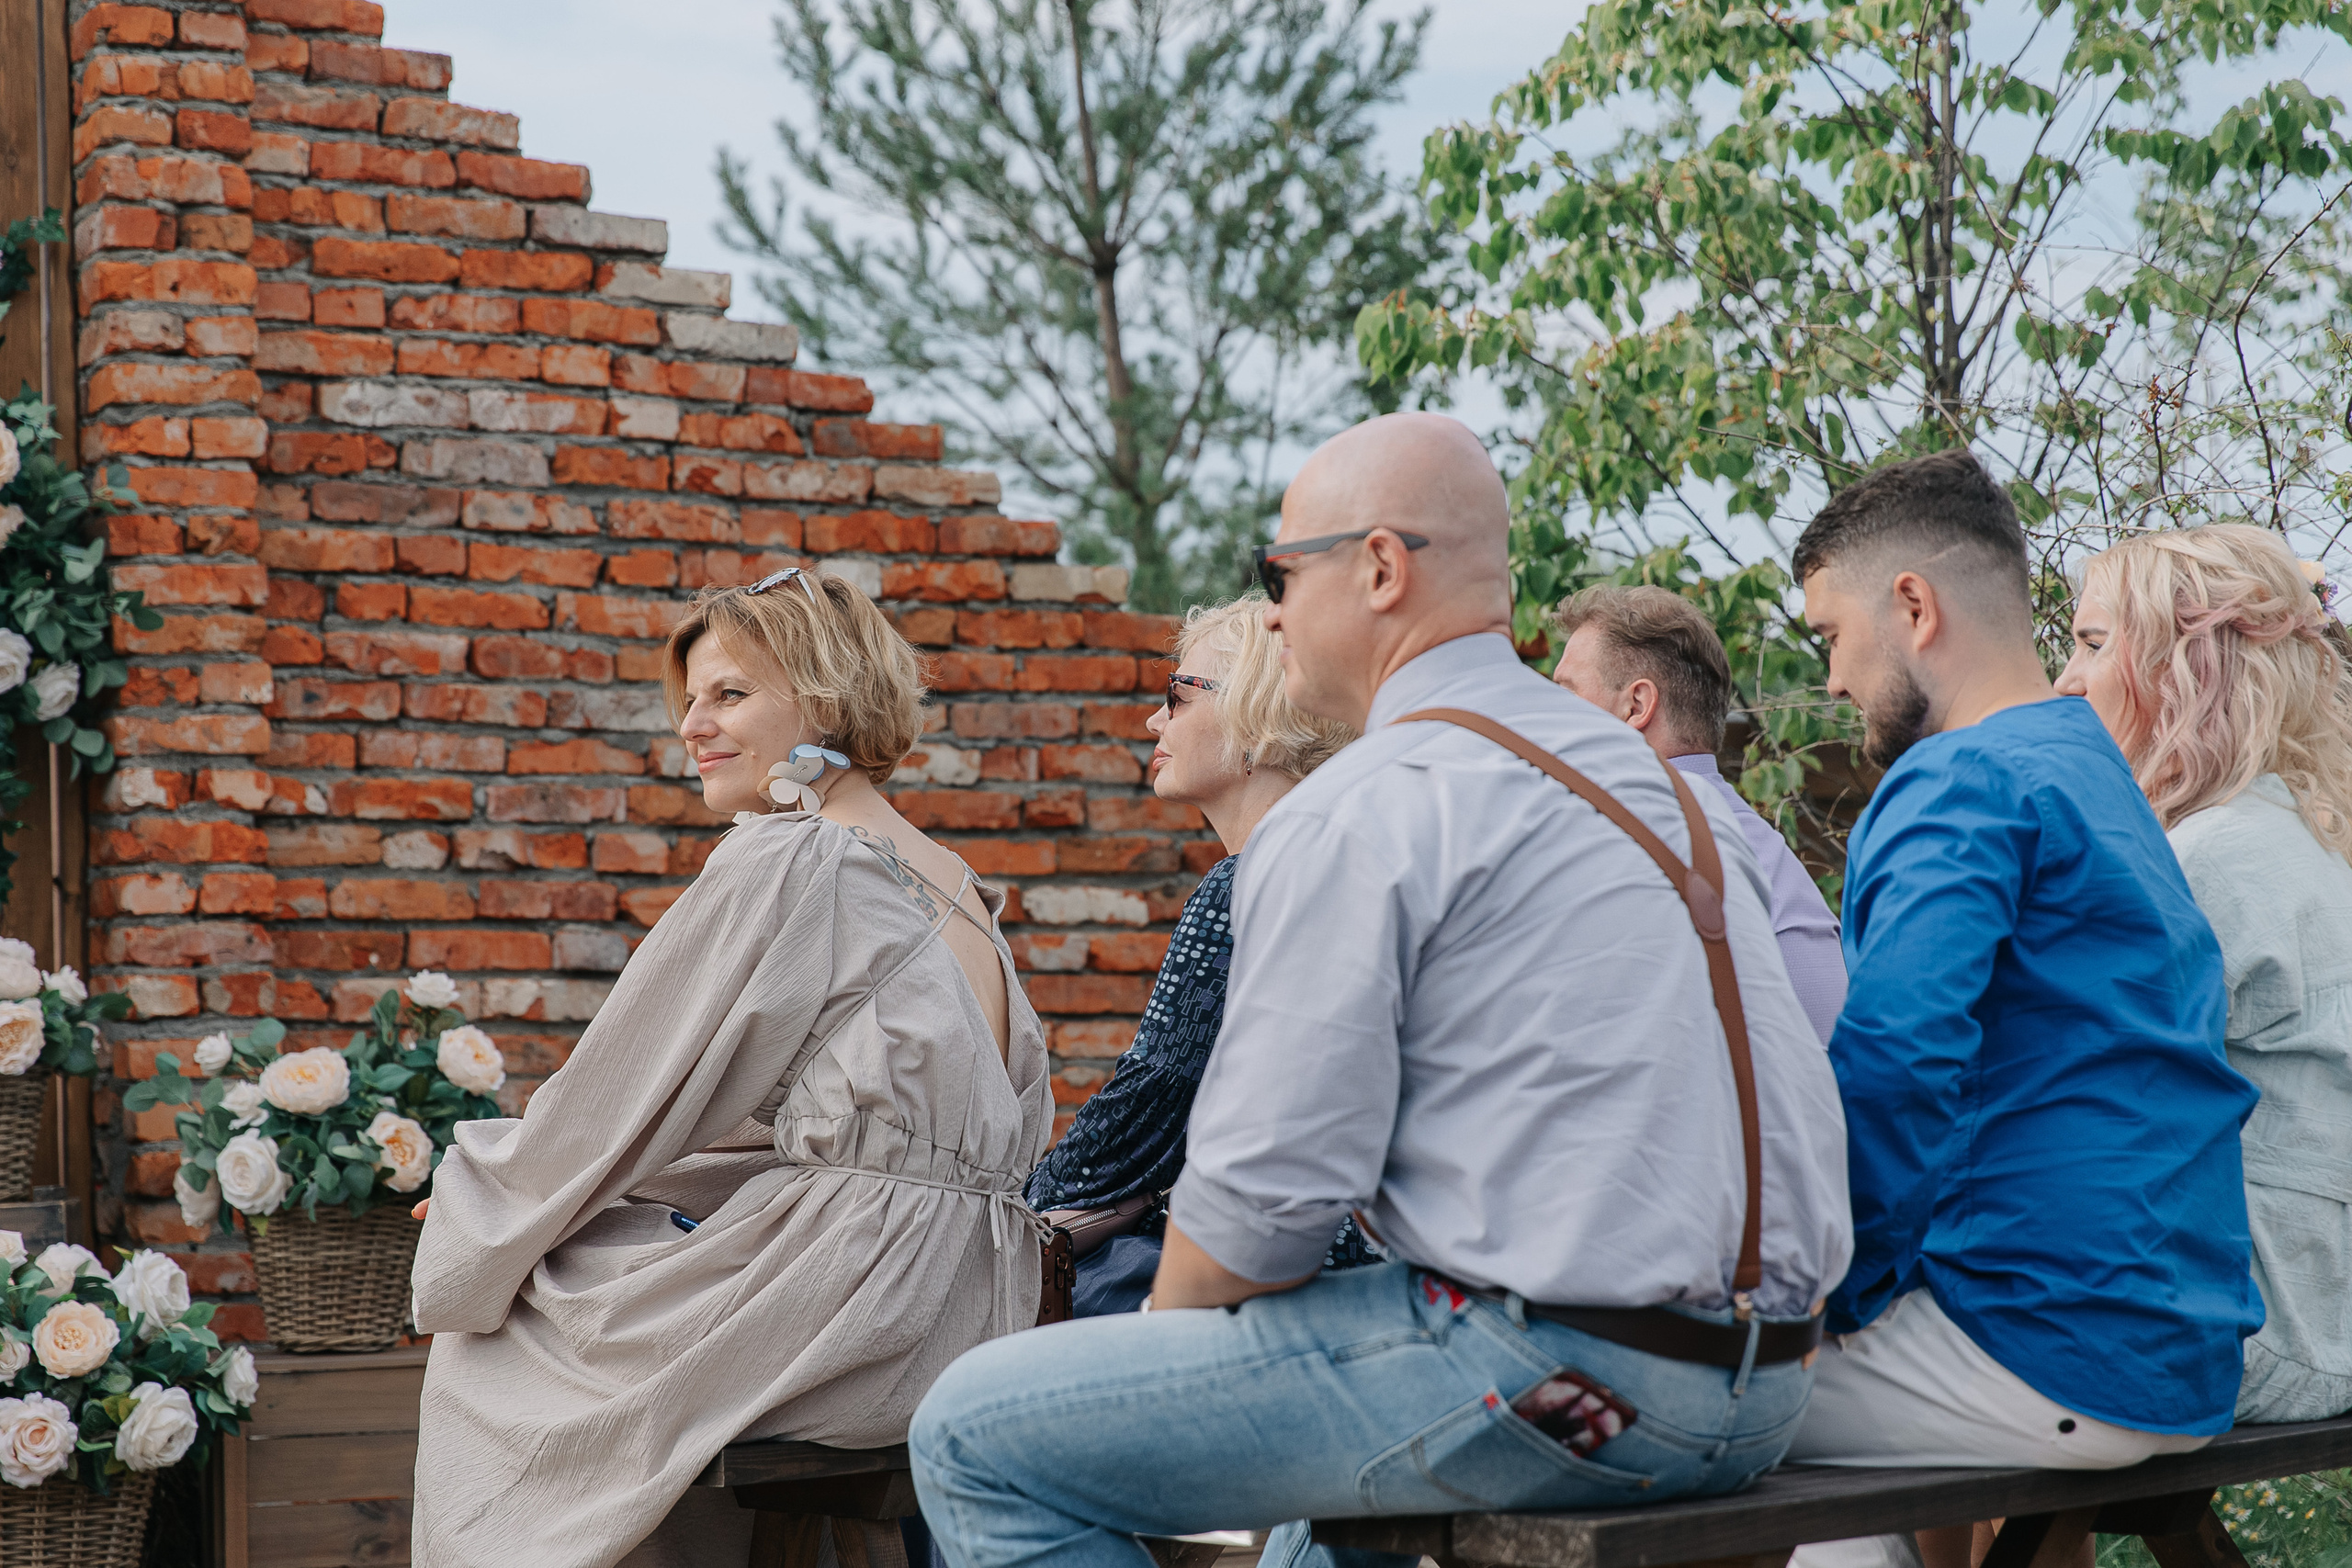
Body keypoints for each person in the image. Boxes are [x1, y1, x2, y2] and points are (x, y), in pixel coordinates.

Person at [908, 412, 1853, 1568]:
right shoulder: (1658, 791)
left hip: (1570, 1384)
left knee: (972, 1434)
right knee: (1336, 1455)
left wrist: (1154, 1359)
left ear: (1380, 568)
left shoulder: (1371, 801)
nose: (1269, 615)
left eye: (1278, 575)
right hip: (1767, 1384)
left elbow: (1250, 1227)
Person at [408, 567, 1053, 1568]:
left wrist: (482, 1207)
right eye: (691, 699)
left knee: (506, 1336)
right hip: (969, 1309)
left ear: (826, 698)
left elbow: (622, 1096)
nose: (692, 726)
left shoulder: (795, 857)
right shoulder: (958, 884)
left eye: (730, 694)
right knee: (619, 1254)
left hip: (858, 1303)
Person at [1780, 452, 2262, 1568]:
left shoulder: (1956, 781)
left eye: (1830, 636)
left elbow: (1896, 1064)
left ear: (1913, 607)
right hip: (2179, 1349)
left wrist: (1822, 1302)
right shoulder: (2096, 774)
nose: (1833, 681)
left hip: (2051, 1348)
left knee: (1645, 1406)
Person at [2057, 525, 2352, 1426]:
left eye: (2092, 644)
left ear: (2190, 669)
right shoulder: (2304, 831)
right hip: (2320, 1317)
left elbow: (2083, 1107)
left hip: (2255, 1330)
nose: (2065, 680)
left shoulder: (2202, 860)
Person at [1025, 592, 1376, 1316]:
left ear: (1256, 714)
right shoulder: (1345, 865)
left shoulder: (1244, 883)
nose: (1154, 722)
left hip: (1269, 1280)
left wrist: (1016, 1210)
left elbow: (1151, 1101)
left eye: (1176, 696)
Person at [1551, 583, 1847, 1042]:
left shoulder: (1607, 849)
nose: (1550, 718)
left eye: (1567, 694)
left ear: (1636, 706)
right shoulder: (1772, 862)